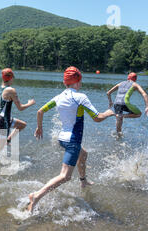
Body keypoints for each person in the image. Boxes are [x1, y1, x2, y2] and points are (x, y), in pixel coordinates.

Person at [27, 67, 115, 213]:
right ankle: (36, 195)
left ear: (65, 82)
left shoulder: (59, 97)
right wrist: (109, 113)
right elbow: (97, 118)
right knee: (65, 176)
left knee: (83, 154)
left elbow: (40, 111)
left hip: (62, 138)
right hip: (72, 140)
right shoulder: (80, 97)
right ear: (78, 81)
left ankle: (83, 181)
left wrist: (39, 128)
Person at [0, 68, 36, 160]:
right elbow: (20, 108)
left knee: (22, 125)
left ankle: (8, 140)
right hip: (4, 121)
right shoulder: (11, 90)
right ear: (11, 78)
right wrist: (30, 103)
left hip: (0, 118)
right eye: (13, 78)